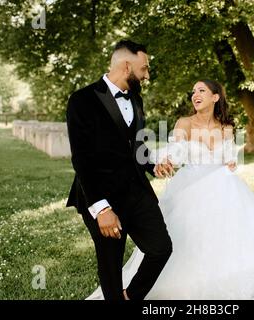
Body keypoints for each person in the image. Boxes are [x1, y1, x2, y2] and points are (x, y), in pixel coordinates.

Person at [87, 79, 254, 300]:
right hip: (190, 187)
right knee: (182, 239)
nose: (195, 94)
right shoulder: (184, 123)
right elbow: (174, 154)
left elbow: (230, 158)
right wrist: (164, 161)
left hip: (225, 187)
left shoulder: (227, 126)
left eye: (202, 90)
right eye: (193, 91)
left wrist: (231, 162)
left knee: (229, 237)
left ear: (215, 97)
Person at [66, 40, 173, 301]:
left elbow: (136, 144)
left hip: (137, 192)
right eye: (144, 68)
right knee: (111, 264)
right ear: (127, 66)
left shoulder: (135, 98)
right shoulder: (82, 100)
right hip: (100, 195)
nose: (147, 75)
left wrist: (152, 164)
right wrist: (101, 209)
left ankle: (131, 296)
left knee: (161, 248)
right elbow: (82, 159)